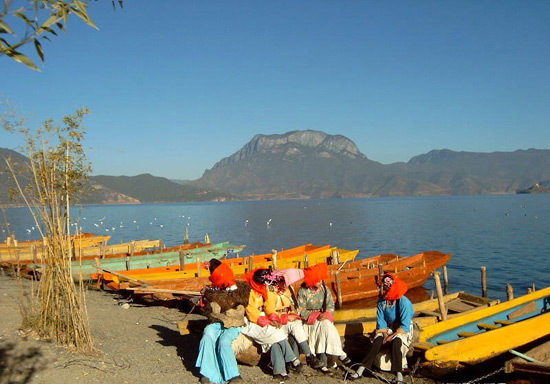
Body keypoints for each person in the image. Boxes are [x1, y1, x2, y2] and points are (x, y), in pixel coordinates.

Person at [241, 267, 305, 381]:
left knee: (274, 339)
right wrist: (267, 321)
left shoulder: (267, 289)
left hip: (264, 318)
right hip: (252, 322)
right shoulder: (249, 291)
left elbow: (269, 307)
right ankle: (292, 358)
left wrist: (274, 318)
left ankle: (279, 371)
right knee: (274, 333)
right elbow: (251, 312)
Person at [350, 273, 414, 384]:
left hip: (402, 329)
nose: (385, 289)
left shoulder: (404, 302)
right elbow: (381, 321)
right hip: (388, 328)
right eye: (384, 287)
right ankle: (361, 369)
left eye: (388, 287)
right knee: (377, 341)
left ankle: (399, 375)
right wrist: (385, 335)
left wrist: (391, 337)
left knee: (396, 342)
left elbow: (405, 325)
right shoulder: (382, 301)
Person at [196, 259, 250, 384]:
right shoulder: (214, 290)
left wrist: (210, 295)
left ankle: (234, 375)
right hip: (217, 321)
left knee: (224, 342)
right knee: (207, 336)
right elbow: (211, 311)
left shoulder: (240, 290)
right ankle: (207, 373)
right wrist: (206, 298)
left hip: (233, 322)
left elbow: (230, 303)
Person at [297, 262, 352, 373]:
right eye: (317, 280)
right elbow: (300, 310)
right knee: (323, 326)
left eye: (321, 280)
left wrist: (326, 315)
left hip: (322, 318)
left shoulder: (325, 289)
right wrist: (315, 315)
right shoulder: (303, 291)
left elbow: (330, 305)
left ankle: (335, 356)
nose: (320, 282)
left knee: (326, 325)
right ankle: (340, 354)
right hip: (309, 321)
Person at [266, 268, 324, 369]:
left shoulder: (289, 289)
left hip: (289, 319)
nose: (285, 284)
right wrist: (285, 317)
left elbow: (294, 307)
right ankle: (300, 359)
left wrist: (292, 315)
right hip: (276, 321)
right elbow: (269, 311)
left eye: (286, 282)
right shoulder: (271, 292)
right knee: (287, 331)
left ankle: (309, 355)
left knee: (296, 325)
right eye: (282, 281)